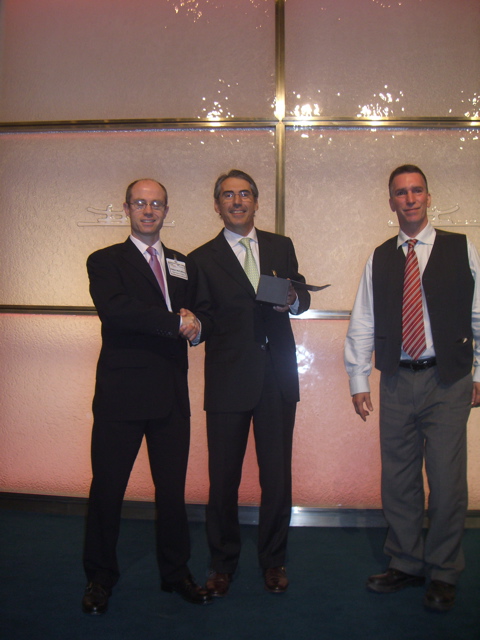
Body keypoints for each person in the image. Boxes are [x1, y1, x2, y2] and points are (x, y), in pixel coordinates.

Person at [344, 164, 480, 612]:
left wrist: (479, 373)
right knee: (398, 478)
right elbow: (363, 320)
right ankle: (405, 562)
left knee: (446, 481)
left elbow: (479, 314)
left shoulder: (461, 248)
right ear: (392, 202)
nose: (409, 198)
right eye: (401, 192)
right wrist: (358, 379)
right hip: (397, 380)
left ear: (428, 196)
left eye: (416, 190)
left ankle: (443, 571)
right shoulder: (381, 257)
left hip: (448, 380)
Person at [82, 178, 212, 614]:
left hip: (171, 395)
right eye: (140, 203)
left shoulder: (181, 263)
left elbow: (200, 312)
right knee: (108, 490)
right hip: (121, 394)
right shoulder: (105, 261)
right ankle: (99, 577)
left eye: (156, 204)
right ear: (126, 209)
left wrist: (198, 325)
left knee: (172, 493)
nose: (149, 210)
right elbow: (118, 311)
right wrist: (176, 322)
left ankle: (176, 573)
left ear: (166, 210)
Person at [189, 169, 310, 596]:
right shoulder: (200, 258)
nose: (237, 201)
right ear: (217, 205)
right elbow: (202, 315)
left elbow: (301, 293)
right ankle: (222, 564)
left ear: (256, 202)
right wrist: (193, 328)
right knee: (223, 478)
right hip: (228, 379)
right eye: (228, 195)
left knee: (277, 477)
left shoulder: (280, 245)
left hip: (277, 376)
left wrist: (294, 298)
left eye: (244, 194)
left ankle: (274, 560)